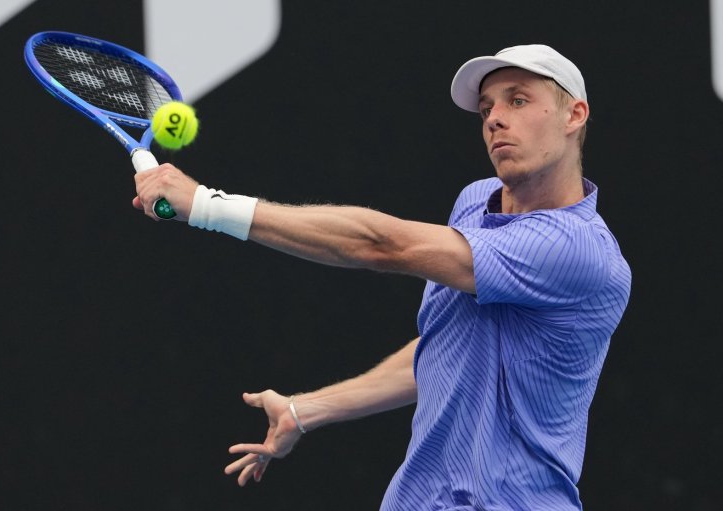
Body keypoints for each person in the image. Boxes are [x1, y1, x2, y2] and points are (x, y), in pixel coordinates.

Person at [132, 44, 631, 510]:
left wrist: (206, 206)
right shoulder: (476, 201)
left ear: (574, 115)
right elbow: (445, 347)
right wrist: (308, 409)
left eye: (519, 100)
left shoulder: (578, 249)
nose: (496, 118)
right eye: (486, 109)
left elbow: (382, 245)